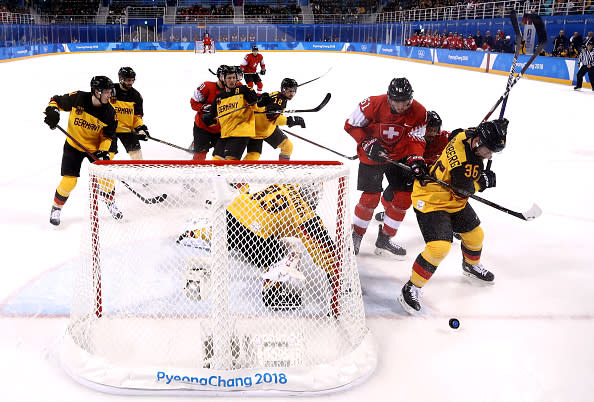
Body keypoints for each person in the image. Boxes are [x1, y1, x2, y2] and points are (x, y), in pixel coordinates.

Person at [398, 119, 508, 315]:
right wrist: (482, 182)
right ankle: (411, 287)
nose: (489, 155)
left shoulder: (465, 135)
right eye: (488, 150)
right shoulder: (465, 162)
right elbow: (462, 190)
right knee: (439, 247)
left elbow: (455, 133)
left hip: (451, 199)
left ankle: (470, 265)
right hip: (431, 199)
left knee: (476, 236)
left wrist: (498, 127)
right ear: (477, 142)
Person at [177, 182, 335, 309]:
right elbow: (319, 243)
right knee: (287, 250)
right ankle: (272, 287)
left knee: (227, 236)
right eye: (314, 195)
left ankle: (195, 234)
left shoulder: (285, 186)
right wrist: (333, 270)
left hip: (231, 214)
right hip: (254, 238)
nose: (315, 198)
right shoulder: (304, 211)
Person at [345, 77, 427, 259]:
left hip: (398, 156)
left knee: (405, 198)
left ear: (410, 98)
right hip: (372, 155)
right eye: (396, 101)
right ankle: (357, 234)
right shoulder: (372, 104)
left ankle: (385, 238)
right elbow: (350, 125)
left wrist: (416, 159)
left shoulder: (420, 112)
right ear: (389, 97)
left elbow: (417, 139)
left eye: (404, 102)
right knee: (370, 198)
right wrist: (367, 141)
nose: (400, 106)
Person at [43, 76, 119, 226]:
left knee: (106, 180)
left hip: (95, 149)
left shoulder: (110, 112)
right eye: (106, 92)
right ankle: (56, 207)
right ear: (96, 92)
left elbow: (109, 136)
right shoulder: (78, 98)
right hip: (73, 146)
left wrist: (104, 152)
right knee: (69, 182)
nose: (109, 95)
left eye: (110, 92)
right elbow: (56, 100)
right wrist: (52, 111)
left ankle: (110, 202)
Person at [374, 111, 449, 238]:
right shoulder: (409, 138)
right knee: (388, 197)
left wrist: (466, 136)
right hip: (409, 173)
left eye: (434, 130)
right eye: (428, 130)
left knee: (440, 201)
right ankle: (388, 213)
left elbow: (457, 139)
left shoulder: (442, 138)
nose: (431, 133)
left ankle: (450, 225)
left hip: (431, 178)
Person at [202, 65, 271, 160]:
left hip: (240, 133)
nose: (232, 80)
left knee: (230, 163)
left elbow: (257, 105)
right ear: (224, 80)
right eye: (229, 78)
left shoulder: (244, 90)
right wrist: (207, 118)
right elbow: (213, 119)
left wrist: (263, 101)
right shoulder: (219, 97)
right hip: (225, 134)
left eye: (234, 78)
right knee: (216, 162)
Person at [246, 78, 304, 161]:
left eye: (294, 91)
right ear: (283, 90)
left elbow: (271, 114)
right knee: (253, 156)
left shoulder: (278, 95)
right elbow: (273, 117)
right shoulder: (278, 100)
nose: (292, 94)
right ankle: (240, 172)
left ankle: (282, 170)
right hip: (259, 132)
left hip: (264, 128)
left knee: (287, 146)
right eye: (290, 91)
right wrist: (290, 120)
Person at [110, 67, 148, 160]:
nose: (130, 83)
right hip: (109, 129)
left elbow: (137, 116)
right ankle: (102, 175)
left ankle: (140, 174)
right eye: (127, 80)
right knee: (106, 156)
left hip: (127, 129)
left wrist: (140, 128)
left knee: (138, 157)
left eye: (132, 80)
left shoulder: (136, 96)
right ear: (120, 79)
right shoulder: (109, 90)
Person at [190, 64, 227, 160]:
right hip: (203, 128)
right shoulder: (206, 87)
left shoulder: (237, 88)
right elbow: (193, 103)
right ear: (219, 76)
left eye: (233, 77)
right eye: (226, 77)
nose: (230, 80)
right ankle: (197, 143)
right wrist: (202, 107)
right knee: (200, 156)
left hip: (222, 129)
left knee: (223, 157)